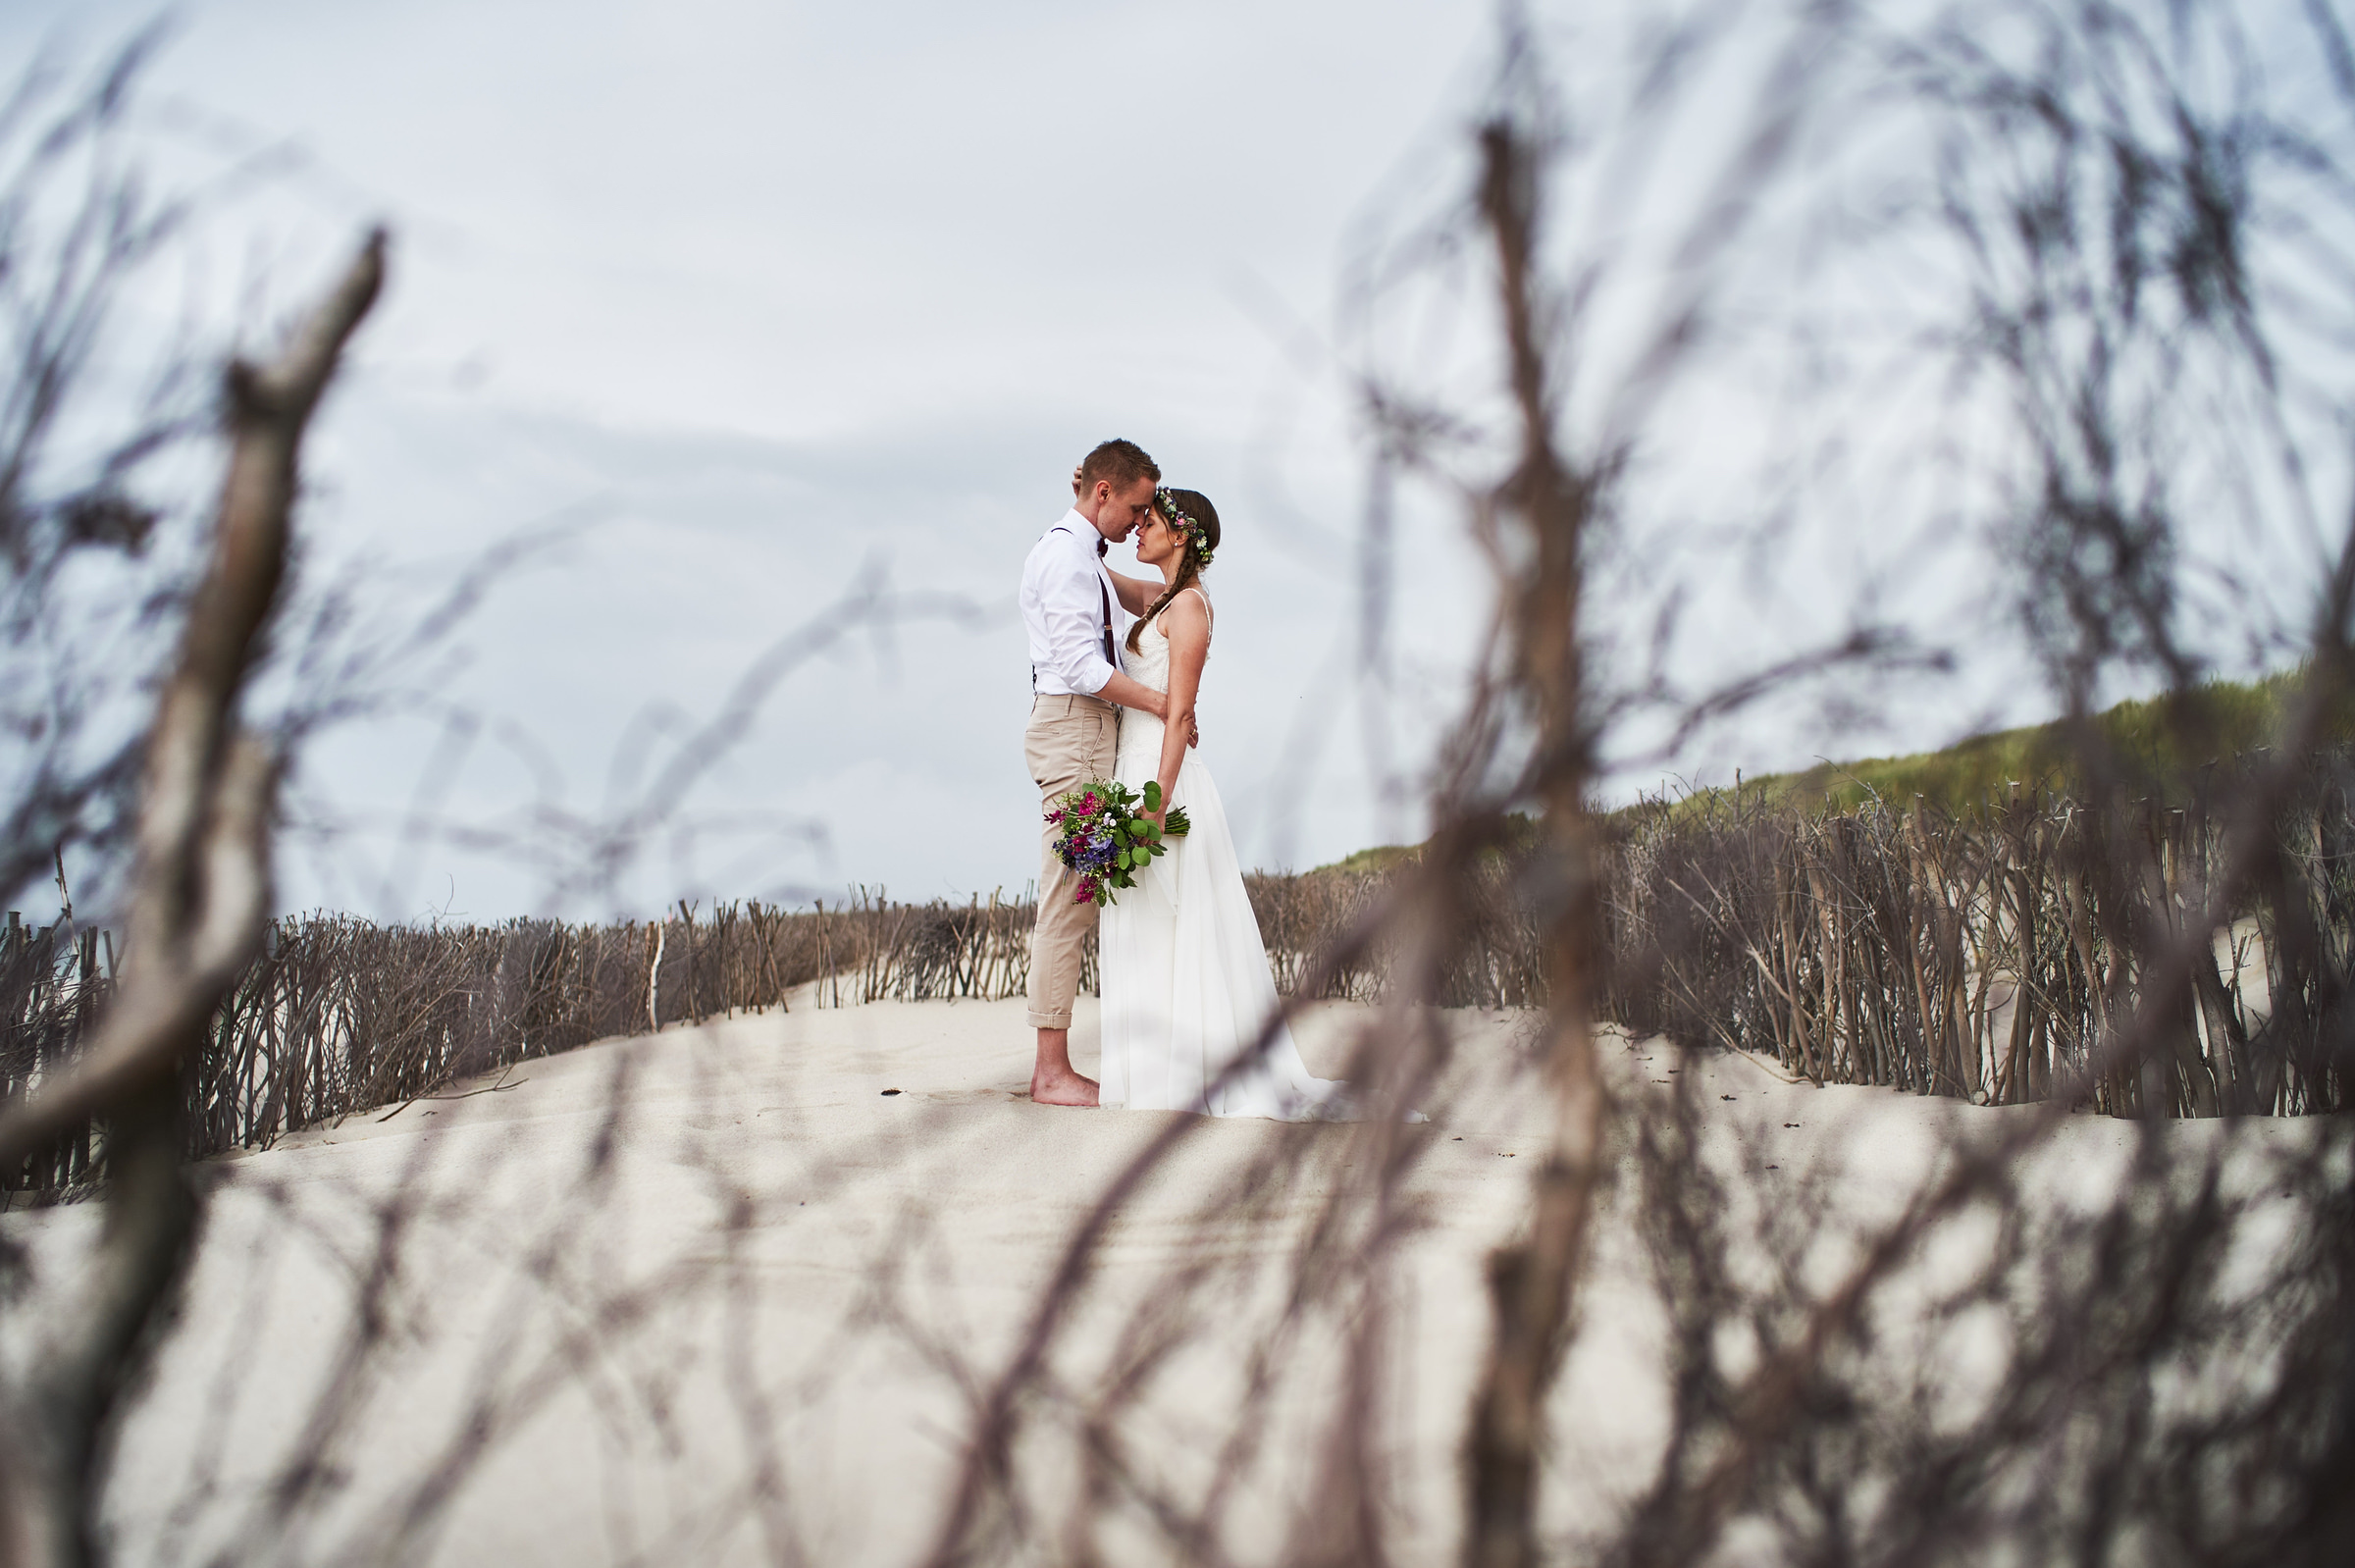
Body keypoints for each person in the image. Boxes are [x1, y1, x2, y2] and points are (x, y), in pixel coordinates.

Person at [1096, 486, 1347, 1121]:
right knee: (1144, 918)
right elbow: (1106, 578)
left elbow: (1181, 715)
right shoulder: (1161, 600)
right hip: (1134, 765)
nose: (1137, 530)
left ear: (1180, 535)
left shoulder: (1190, 610)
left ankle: (1187, 1073)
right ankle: (1151, 1071)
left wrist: (1156, 802)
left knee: (1176, 918)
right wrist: (1081, 521)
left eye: (1146, 522)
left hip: (1162, 775)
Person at [1018, 439, 1190, 1107]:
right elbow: (1084, 667)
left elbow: (1141, 597)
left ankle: (1054, 1063)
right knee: (1068, 898)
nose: (1135, 523)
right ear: (1103, 494)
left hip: (1082, 729)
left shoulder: (1076, 553)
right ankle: (1051, 1072)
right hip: (1075, 727)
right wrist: (1164, 704)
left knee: (1080, 895)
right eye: (1136, 507)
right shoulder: (1067, 557)